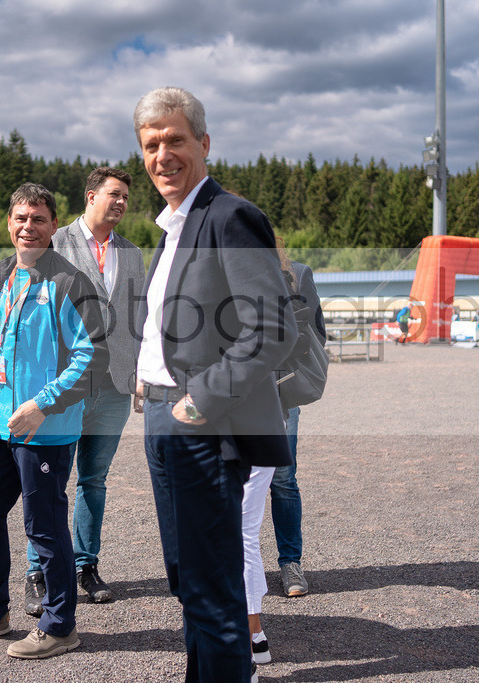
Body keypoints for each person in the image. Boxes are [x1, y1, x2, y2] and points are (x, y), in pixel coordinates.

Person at [131, 87, 297, 683]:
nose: (163, 154)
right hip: (159, 416)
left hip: (199, 424)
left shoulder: (229, 216)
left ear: (204, 143)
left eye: (176, 140)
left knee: (213, 584)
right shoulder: (176, 225)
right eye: (151, 144)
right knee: (190, 580)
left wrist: (199, 400)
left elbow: (273, 327)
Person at [0, 183, 108, 661]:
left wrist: (43, 404)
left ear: (54, 226)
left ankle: (59, 626)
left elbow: (93, 358)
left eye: (38, 219)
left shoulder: (71, 282)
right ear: (9, 223)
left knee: (44, 526)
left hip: (44, 429)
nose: (28, 227)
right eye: (20, 218)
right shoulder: (5, 272)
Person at [21, 167, 145, 615]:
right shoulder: (54, 241)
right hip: (65, 384)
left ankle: (84, 566)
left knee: (94, 479)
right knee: (49, 480)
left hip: (114, 386)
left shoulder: (131, 254)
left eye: (127, 197)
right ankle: (38, 570)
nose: (122, 203)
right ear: (91, 196)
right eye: (114, 194)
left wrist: (141, 373)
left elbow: (139, 316)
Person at [243, 257, 325, 667]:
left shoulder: (298, 273)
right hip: (236, 395)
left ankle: (290, 563)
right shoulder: (226, 272)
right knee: (240, 495)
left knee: (284, 479)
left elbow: (317, 333)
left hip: (280, 392)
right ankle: (244, 578)